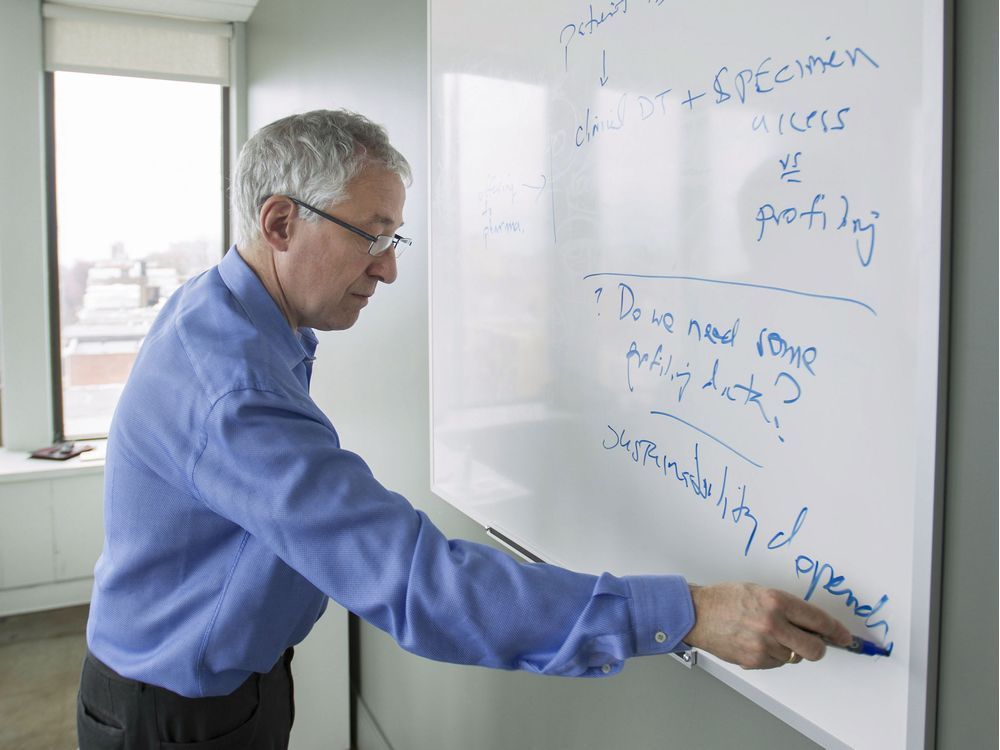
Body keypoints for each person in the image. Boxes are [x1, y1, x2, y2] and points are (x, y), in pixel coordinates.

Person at [77, 109, 851, 749]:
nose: (387, 269)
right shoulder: (232, 388)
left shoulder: (223, 311)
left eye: (394, 240)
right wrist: (689, 612)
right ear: (281, 222)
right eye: (371, 236)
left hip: (222, 679)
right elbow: (421, 586)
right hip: (170, 715)